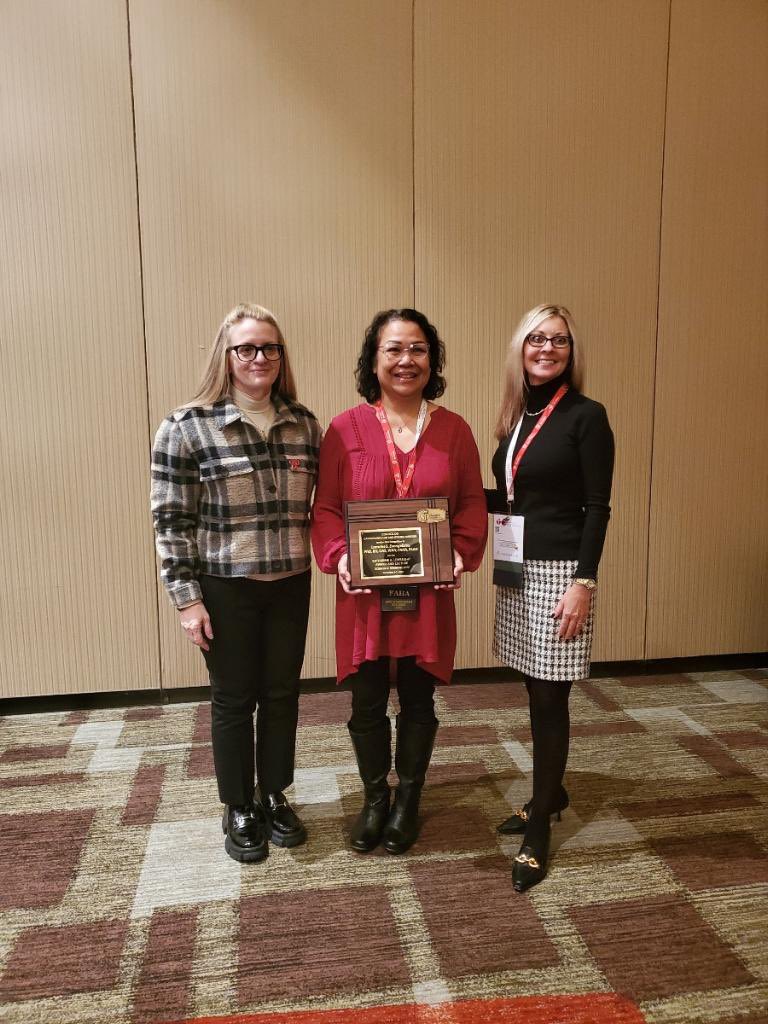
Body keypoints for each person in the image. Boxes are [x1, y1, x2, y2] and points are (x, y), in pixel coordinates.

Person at [312, 309, 488, 855]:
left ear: (431, 360)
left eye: (417, 349)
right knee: (365, 701)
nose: (405, 360)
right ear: (373, 360)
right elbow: (324, 509)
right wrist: (339, 555)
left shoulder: (455, 430)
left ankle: (408, 799)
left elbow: (473, 504)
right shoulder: (344, 429)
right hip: (363, 596)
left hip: (427, 595)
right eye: (393, 349)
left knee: (417, 700)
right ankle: (374, 798)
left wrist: (460, 551)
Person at [151, 303, 321, 863]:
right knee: (233, 699)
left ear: (281, 356)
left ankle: (273, 793)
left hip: (289, 584)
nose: (258, 358)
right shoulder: (186, 427)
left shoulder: (304, 424)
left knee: (281, 695)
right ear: (225, 356)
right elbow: (171, 521)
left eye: (269, 347)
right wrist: (186, 599)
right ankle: (239, 804)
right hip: (225, 587)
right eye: (245, 348)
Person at [486, 303, 614, 892]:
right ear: (521, 347)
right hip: (518, 568)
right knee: (531, 685)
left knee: (549, 698)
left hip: (561, 572)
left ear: (571, 351)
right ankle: (553, 791)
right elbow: (515, 497)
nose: (547, 349)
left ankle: (540, 825)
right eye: (537, 339)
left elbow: (596, 507)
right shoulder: (517, 416)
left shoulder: (587, 417)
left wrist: (583, 583)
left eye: (559, 340)